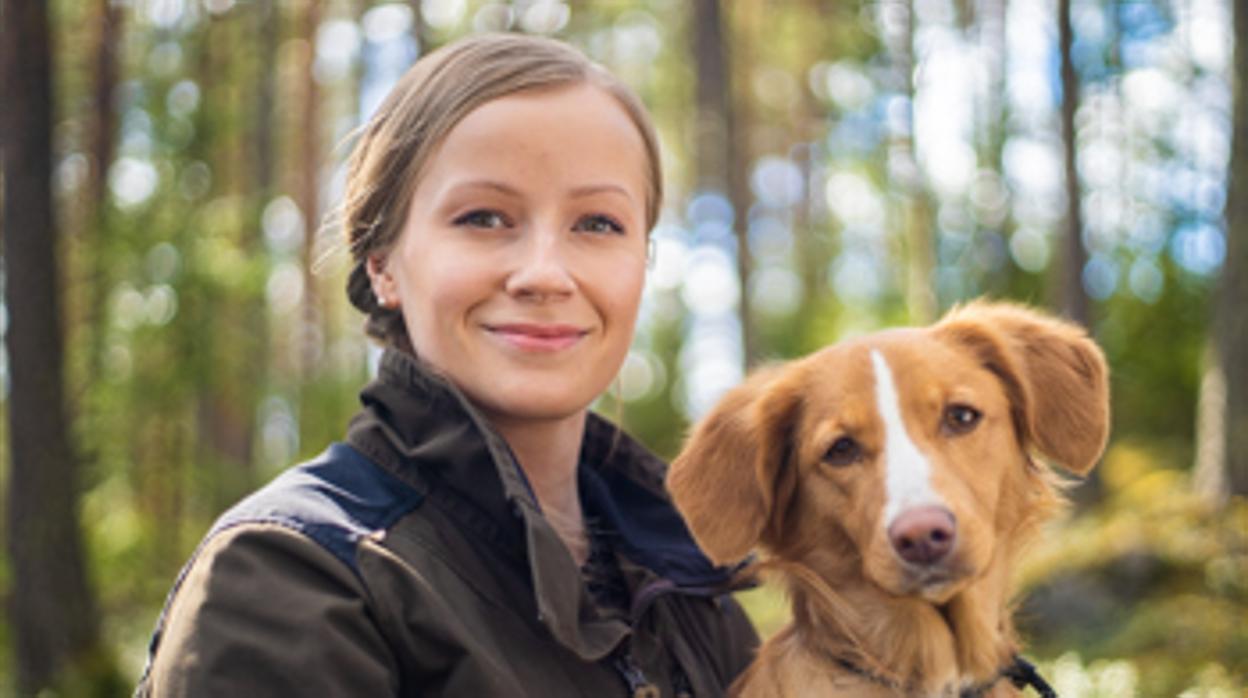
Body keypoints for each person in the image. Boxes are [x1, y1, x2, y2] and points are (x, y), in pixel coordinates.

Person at [136, 33, 758, 697]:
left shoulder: (696, 589)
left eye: (598, 224)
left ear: (645, 261)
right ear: (383, 264)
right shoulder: (295, 575)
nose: (545, 274)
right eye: (484, 217)